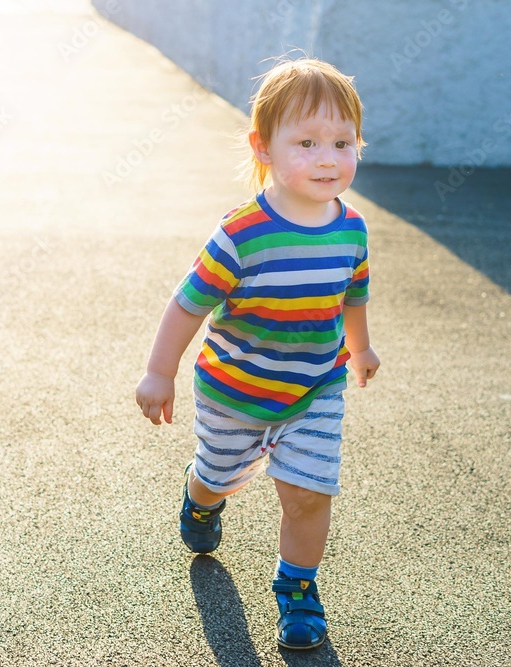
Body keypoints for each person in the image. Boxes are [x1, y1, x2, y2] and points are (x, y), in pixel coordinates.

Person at [134, 57, 379, 651]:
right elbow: (187, 305)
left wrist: (362, 347)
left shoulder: (351, 229)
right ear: (263, 147)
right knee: (222, 476)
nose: (328, 157)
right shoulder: (242, 233)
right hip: (235, 392)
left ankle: (297, 588)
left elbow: (353, 292)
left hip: (315, 388)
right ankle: (201, 494)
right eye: (307, 142)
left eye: (342, 142)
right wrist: (158, 372)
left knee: (307, 493)